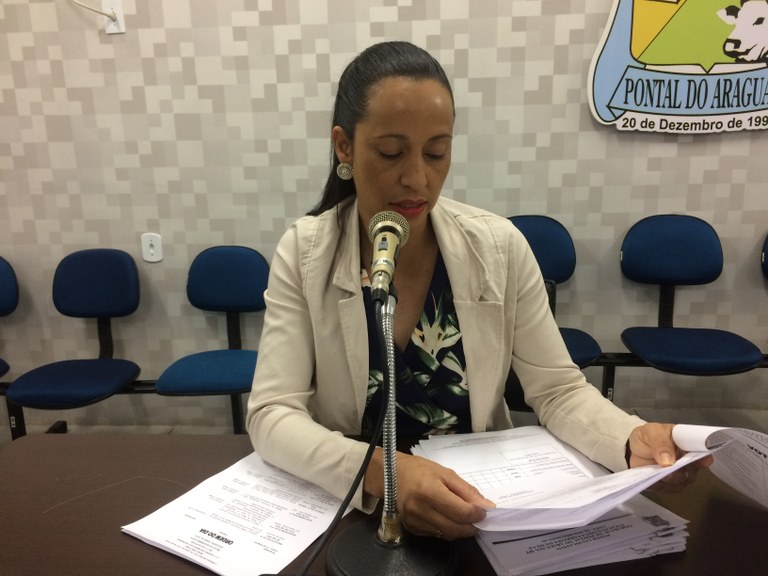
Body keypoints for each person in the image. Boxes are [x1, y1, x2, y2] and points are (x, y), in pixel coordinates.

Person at [245, 40, 711, 542]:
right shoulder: (306, 252)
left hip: (477, 511)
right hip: (356, 510)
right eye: (390, 152)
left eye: (436, 152)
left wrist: (627, 437)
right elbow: (272, 413)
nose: (417, 178)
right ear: (344, 147)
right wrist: (386, 474)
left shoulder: (498, 247)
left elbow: (556, 390)